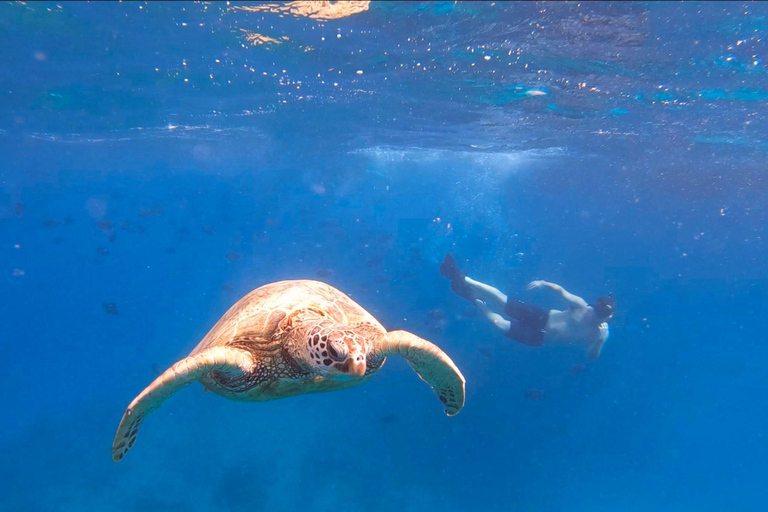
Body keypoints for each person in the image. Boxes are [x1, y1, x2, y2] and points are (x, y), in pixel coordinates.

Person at [439, 254, 615, 360]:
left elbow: (591, 357)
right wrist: (543, 283)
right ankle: (462, 278)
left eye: (602, 313)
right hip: (541, 317)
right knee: (501, 300)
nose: (596, 313)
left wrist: (600, 340)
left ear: (608, 317)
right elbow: (561, 291)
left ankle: (473, 299)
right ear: (596, 304)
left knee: (498, 325)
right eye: (598, 308)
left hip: (539, 338)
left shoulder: (597, 334)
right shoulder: (581, 306)